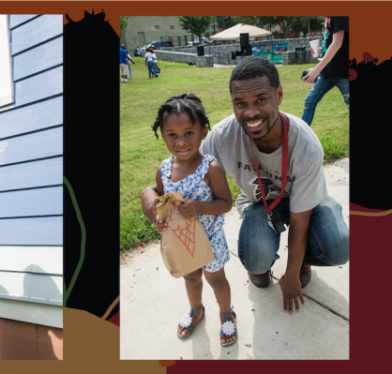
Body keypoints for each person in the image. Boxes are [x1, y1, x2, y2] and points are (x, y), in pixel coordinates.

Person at [141, 57, 349, 316]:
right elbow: (184, 169)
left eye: (261, 99)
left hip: (308, 203)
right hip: (260, 204)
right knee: (255, 259)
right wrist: (148, 193)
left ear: (279, 94)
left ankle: (304, 258)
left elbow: (300, 219)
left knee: (337, 246)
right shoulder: (223, 135)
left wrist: (292, 273)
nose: (250, 112)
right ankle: (261, 261)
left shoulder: (304, 142)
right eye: (240, 103)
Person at [145, 94, 237, 346]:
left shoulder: (211, 168)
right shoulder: (164, 170)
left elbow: (226, 203)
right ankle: (196, 310)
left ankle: (227, 314)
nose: (181, 141)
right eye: (172, 135)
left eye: (189, 133)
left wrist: (200, 207)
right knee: (191, 278)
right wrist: (158, 218)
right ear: (162, 135)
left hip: (210, 240)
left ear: (204, 132)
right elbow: (162, 203)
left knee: (216, 279)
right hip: (182, 241)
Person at [300, 16, 349, 126]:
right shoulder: (329, 15)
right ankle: (301, 138)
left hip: (344, 72)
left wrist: (316, 70)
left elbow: (337, 43)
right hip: (327, 71)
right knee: (310, 102)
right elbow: (330, 41)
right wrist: (322, 50)